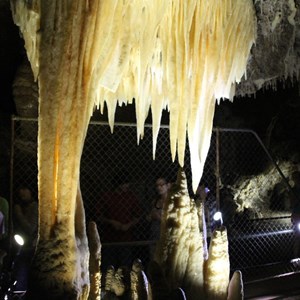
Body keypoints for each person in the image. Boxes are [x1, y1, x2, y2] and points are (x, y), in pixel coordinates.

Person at [97, 174, 141, 271]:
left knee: (125, 265)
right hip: (110, 238)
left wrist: (128, 225)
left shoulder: (131, 197)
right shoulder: (107, 196)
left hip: (126, 238)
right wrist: (111, 222)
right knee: (109, 266)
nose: (127, 186)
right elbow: (98, 216)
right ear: (118, 184)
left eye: (128, 184)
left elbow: (138, 216)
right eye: (125, 184)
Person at [13, 187, 38, 292]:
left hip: (31, 244)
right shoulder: (19, 206)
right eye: (20, 191)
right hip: (20, 243)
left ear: (30, 191)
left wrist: (18, 214)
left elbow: (30, 228)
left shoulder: (34, 206)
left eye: (24, 189)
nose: (21, 192)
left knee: (23, 266)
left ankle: (21, 290)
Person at [147, 177, 171, 258]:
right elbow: (149, 217)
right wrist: (151, 216)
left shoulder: (173, 201)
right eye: (157, 185)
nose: (159, 188)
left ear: (168, 185)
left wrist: (159, 217)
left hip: (168, 236)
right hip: (155, 235)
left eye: (161, 185)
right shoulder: (155, 202)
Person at [290, 171, 300, 257]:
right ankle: (296, 255)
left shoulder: (293, 190)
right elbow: (292, 203)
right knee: (297, 236)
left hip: (296, 214)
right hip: (297, 215)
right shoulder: (293, 190)